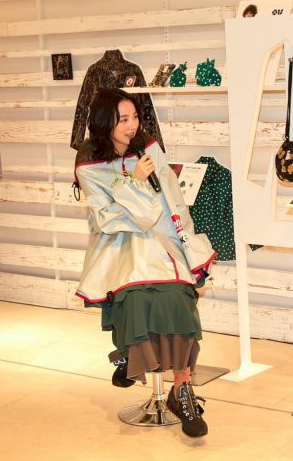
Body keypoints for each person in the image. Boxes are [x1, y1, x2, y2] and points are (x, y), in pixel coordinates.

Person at [74, 88, 216, 437]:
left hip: (162, 242)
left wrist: (186, 243)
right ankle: (128, 355)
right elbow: (105, 219)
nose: (132, 125)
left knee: (179, 301)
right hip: (120, 250)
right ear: (104, 122)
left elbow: (172, 201)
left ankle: (181, 391)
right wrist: (133, 183)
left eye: (135, 117)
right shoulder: (89, 163)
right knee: (135, 299)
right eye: (123, 119)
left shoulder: (149, 149)